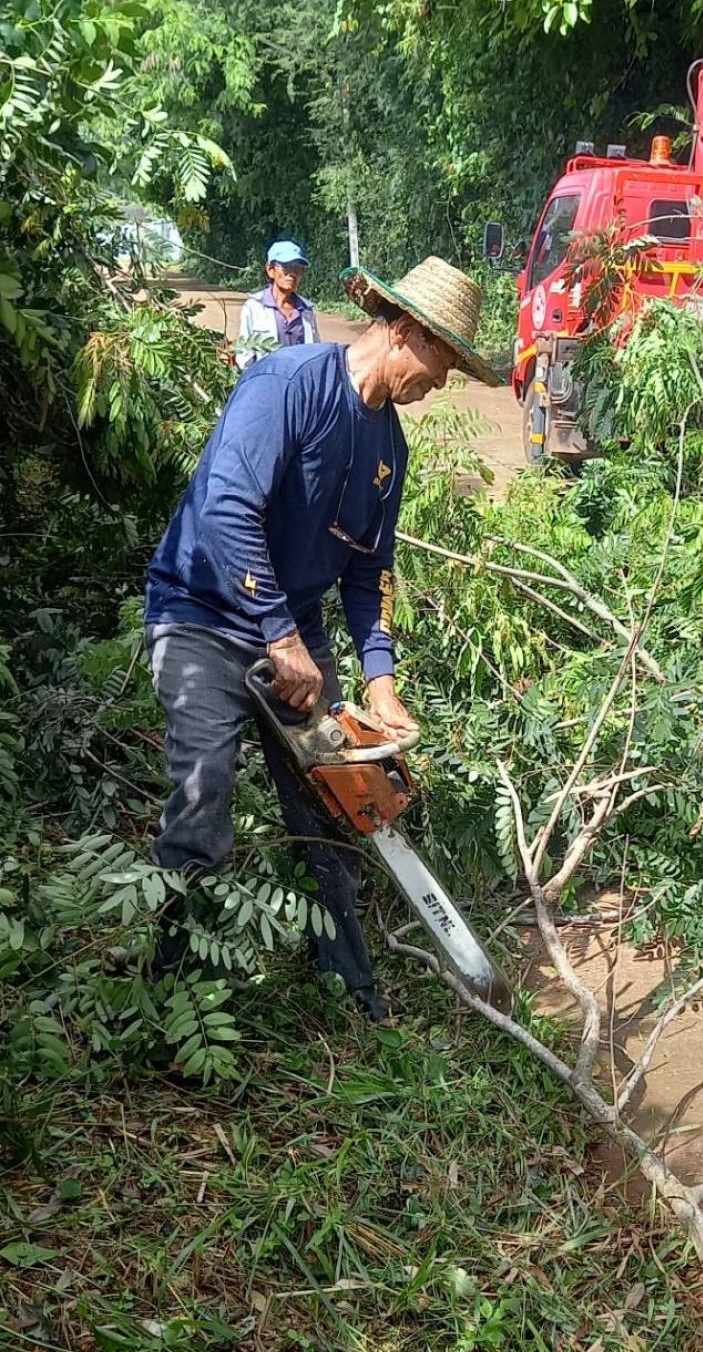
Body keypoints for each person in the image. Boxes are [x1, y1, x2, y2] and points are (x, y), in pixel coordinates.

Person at [145, 255, 501, 1018]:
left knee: (339, 804)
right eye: (442, 363)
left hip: (293, 633)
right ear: (404, 330)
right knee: (203, 803)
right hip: (203, 614)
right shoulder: (289, 386)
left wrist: (381, 681)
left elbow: (371, 571)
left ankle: (349, 981)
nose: (440, 385)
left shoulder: (389, 449)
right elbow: (227, 509)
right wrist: (278, 634)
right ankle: (166, 992)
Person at [236, 239, 320, 368]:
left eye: (298, 269)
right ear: (270, 270)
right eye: (286, 268)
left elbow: (315, 354)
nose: (292, 274)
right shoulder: (254, 307)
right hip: (267, 382)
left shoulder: (306, 310)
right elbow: (244, 356)